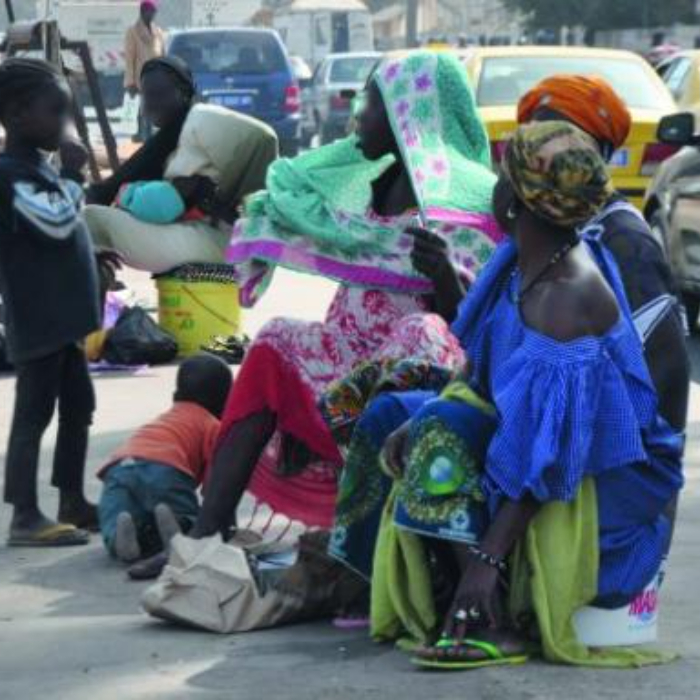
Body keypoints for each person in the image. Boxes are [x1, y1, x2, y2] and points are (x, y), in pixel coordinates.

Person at [128, 52, 504, 579]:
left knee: (419, 332)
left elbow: (477, 330)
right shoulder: (371, 182)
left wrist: (443, 274)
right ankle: (205, 533)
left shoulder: (469, 202)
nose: (359, 115)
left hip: (414, 386)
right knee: (273, 340)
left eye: (374, 103)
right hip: (349, 370)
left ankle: (364, 540)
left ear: (410, 114)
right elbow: (301, 198)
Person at [328, 121, 684, 669]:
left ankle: (491, 611)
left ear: (516, 200)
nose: (493, 183)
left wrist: (487, 560)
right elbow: (482, 367)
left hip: (597, 480)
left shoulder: (567, 297)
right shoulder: (521, 260)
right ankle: (384, 581)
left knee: (441, 432)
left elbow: (549, 455)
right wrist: (419, 416)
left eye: (502, 175)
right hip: (536, 441)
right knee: (392, 412)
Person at [517, 75, 689, 435]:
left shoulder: (623, 239)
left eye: (561, 135)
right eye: (536, 134)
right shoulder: (540, 226)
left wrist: (655, 459)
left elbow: (667, 364)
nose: (544, 148)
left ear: (595, 152)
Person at [0, 59, 101, 546]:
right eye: (56, 111)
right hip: (38, 317)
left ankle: (72, 499)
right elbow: (56, 221)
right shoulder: (9, 173)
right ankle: (24, 515)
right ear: (17, 115)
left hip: (64, 320)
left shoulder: (38, 167)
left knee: (79, 405)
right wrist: (75, 175)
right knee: (34, 412)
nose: (65, 122)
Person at [85, 57, 278, 274]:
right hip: (203, 236)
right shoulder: (170, 138)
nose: (150, 104)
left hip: (220, 241)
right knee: (91, 218)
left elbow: (265, 138)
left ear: (185, 93)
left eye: (160, 94)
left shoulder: (199, 118)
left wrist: (230, 198)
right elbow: (126, 184)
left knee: (90, 220)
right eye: (146, 96)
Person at [98, 354, 232, 563]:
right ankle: (179, 530)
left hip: (120, 465)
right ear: (224, 402)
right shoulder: (212, 425)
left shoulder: (166, 418)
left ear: (175, 395)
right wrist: (227, 524)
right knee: (184, 514)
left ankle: (119, 539)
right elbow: (216, 486)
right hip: (165, 467)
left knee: (116, 513)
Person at [124, 0, 165, 143]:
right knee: (142, 114)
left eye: (154, 12)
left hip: (157, 79)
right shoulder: (132, 31)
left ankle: (151, 141)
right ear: (143, 12)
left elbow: (163, 56)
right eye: (150, 11)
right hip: (140, 80)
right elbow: (129, 58)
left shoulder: (158, 32)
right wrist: (130, 83)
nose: (153, 14)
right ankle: (142, 143)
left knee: (155, 113)